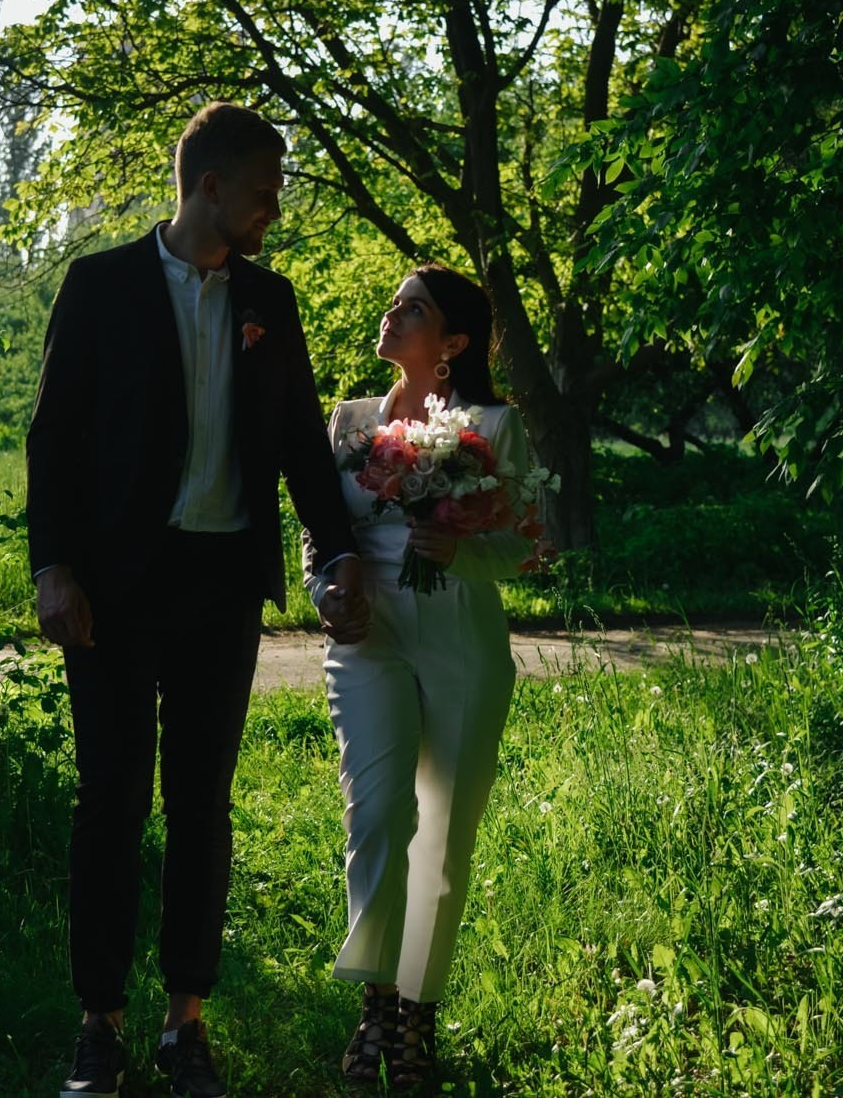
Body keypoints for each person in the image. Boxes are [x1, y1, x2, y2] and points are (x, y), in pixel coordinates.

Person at [27, 101, 370, 1098]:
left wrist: (338, 551)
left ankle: (186, 1025)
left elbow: (300, 441)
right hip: (113, 589)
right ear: (209, 186)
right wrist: (52, 567)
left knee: (200, 806)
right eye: (263, 192)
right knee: (109, 801)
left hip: (222, 588)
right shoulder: (99, 285)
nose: (274, 211)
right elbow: (53, 436)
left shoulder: (271, 299)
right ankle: (98, 1026)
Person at [303, 264, 536, 1089]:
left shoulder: (495, 425)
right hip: (368, 638)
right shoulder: (348, 419)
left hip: (461, 639)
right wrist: (324, 591)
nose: (392, 312)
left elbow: (528, 543)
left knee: (442, 831)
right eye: (394, 301)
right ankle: (375, 997)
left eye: (414, 307)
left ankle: (417, 1009)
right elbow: (320, 530)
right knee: (376, 814)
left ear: (454, 341)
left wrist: (461, 549)